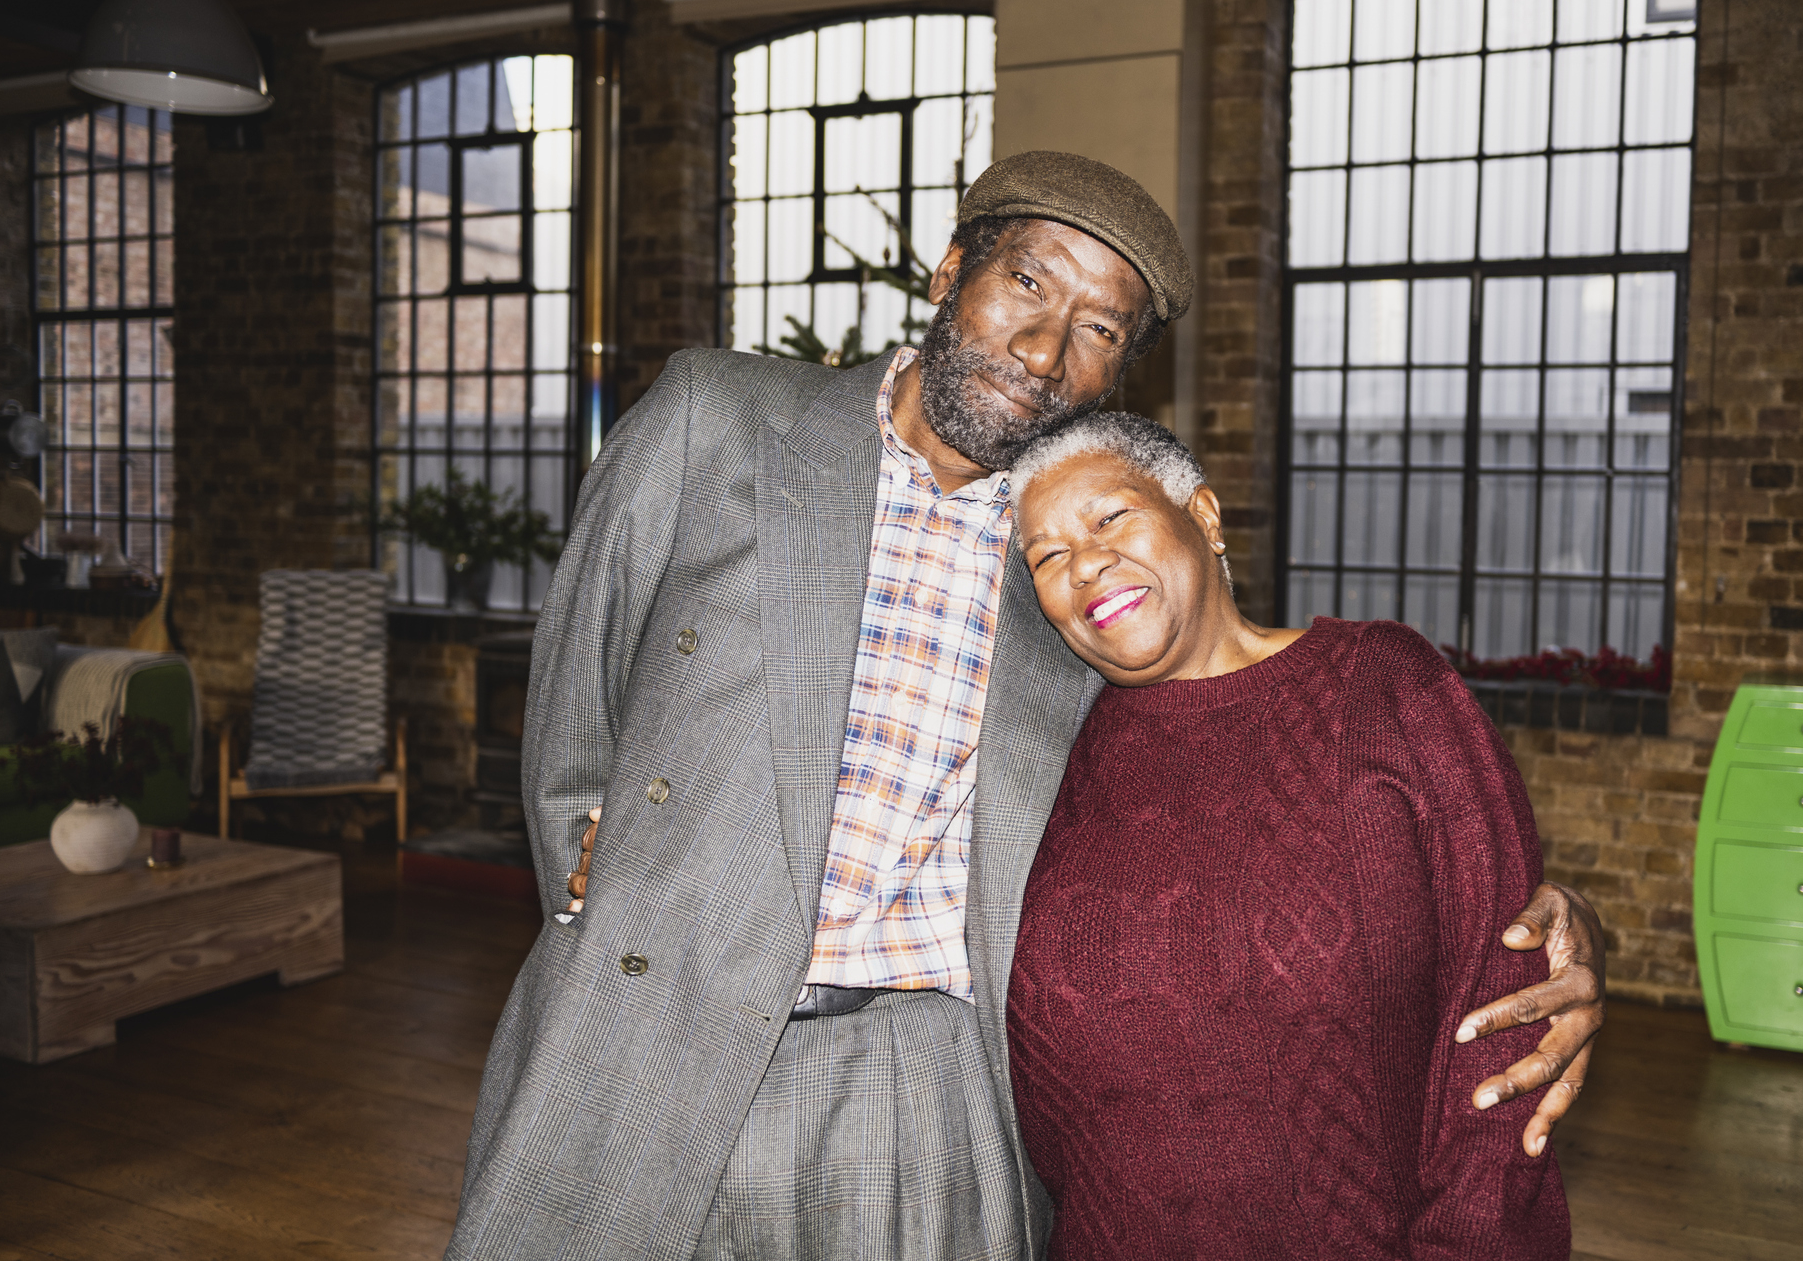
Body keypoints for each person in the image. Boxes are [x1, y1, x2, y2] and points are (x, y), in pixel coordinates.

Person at [450, 152, 1603, 1261]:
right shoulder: (720, 420)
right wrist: (608, 896)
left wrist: (1539, 911)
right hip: (652, 1030)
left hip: (920, 1079)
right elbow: (574, 704)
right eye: (1030, 283)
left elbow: (1246, 741)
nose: (1049, 348)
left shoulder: (1070, 566)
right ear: (952, 272)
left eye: (1100, 330)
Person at [1003, 410, 1569, 1258]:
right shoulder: (1040, 760)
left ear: (1202, 516)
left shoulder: (1380, 690)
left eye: (1110, 516)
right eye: (1046, 556)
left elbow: (1506, 1009)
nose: (1085, 562)